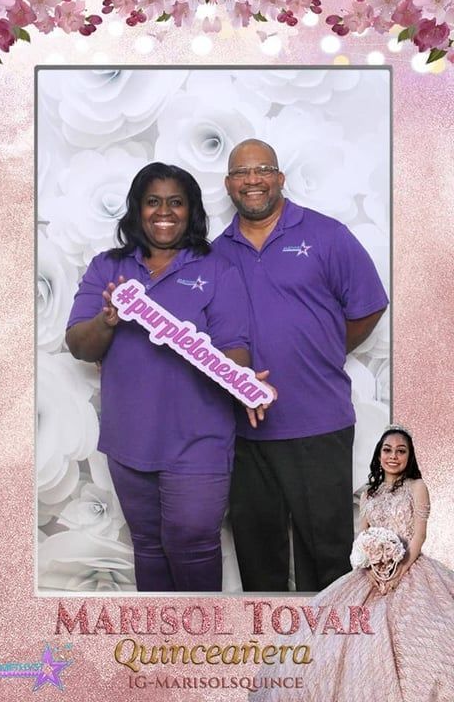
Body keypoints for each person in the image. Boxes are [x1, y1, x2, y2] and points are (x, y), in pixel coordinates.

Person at [66, 161, 266, 593]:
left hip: (199, 439)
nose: (164, 211)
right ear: (137, 209)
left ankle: (205, 652)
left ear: (190, 210)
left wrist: (239, 376)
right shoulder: (108, 268)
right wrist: (108, 320)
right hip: (128, 441)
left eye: (176, 202)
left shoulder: (217, 269)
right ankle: (162, 653)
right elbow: (80, 345)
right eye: (153, 201)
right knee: (149, 546)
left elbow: (235, 344)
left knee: (191, 541)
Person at [213, 138, 389, 592]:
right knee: (258, 557)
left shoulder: (327, 235)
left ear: (280, 178)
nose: (253, 180)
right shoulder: (214, 253)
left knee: (327, 555)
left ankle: (330, 660)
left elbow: (368, 306)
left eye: (263, 169)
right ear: (229, 184)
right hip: (244, 432)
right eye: (241, 173)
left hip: (318, 423)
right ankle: (270, 656)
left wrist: (326, 349)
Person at [252, 426, 454, 702]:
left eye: (401, 451)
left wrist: (399, 572)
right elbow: (363, 537)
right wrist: (368, 562)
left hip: (410, 569)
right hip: (369, 573)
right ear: (379, 455)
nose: (393, 456)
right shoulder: (370, 493)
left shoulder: (416, 487)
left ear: (410, 456)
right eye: (387, 450)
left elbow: (419, 536)